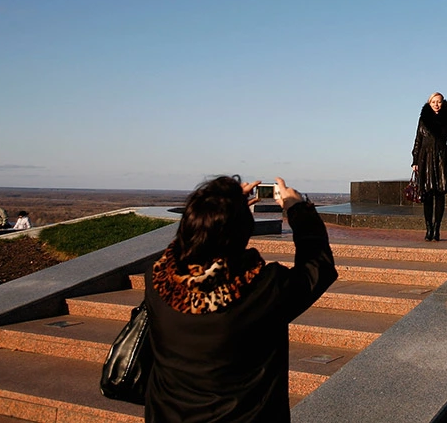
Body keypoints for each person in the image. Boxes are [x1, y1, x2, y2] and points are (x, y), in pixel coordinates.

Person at [144, 175, 337, 422]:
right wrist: (298, 209)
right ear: (244, 234)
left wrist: (219, 210)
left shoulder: (158, 281)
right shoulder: (263, 290)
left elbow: (188, 244)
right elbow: (318, 266)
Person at [411, 92, 447, 241]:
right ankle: (428, 228)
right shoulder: (423, 119)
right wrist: (415, 161)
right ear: (429, 103)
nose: (436, 104)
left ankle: (437, 229)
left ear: (443, 103)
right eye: (433, 102)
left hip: (441, 158)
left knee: (440, 194)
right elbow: (418, 140)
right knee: (427, 195)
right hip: (425, 158)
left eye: (439, 102)